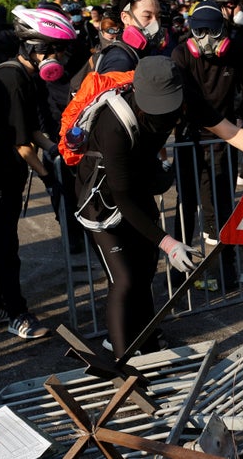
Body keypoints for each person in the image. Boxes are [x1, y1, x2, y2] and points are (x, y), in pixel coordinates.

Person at [74, 56, 201, 357]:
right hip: (102, 202)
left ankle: (148, 346)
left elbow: (220, 126)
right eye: (158, 108)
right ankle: (123, 360)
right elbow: (122, 196)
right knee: (124, 279)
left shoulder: (175, 105)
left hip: (137, 189)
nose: (165, 116)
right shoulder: (113, 124)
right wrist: (168, 242)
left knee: (144, 272)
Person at [0, 8, 76, 339]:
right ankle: (17, 314)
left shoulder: (22, 76)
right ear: (34, 47)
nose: (59, 56)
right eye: (55, 49)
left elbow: (29, 131)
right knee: (7, 247)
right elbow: (22, 146)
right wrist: (48, 177)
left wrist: (59, 150)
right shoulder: (12, 80)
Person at [171, 0, 243, 288]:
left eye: (212, 32)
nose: (205, 40)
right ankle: (180, 271)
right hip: (190, 139)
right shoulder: (181, 55)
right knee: (185, 205)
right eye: (198, 32)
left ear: (223, 32)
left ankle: (225, 269)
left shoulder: (236, 52)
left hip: (225, 140)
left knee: (221, 205)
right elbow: (187, 102)